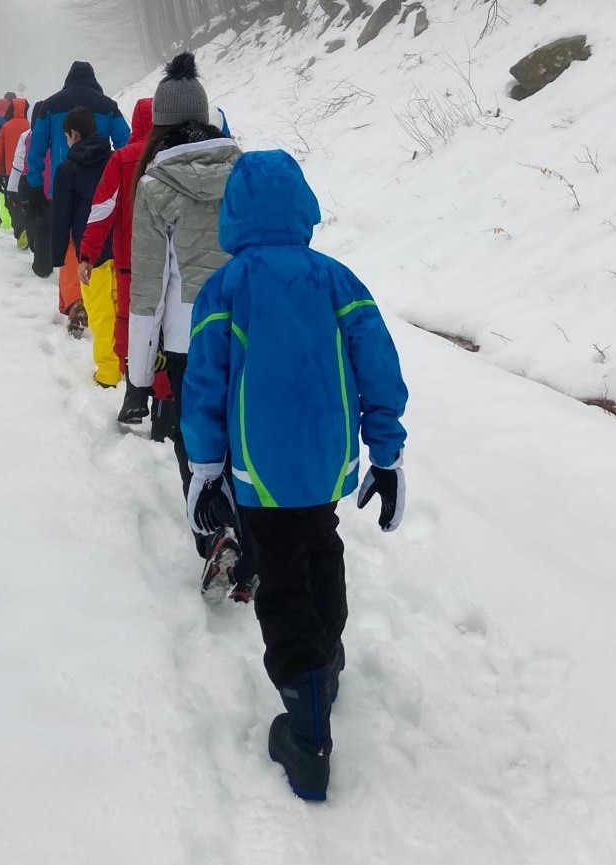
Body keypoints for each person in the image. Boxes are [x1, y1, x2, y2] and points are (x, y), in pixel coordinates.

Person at [180, 149, 409, 802]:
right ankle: (325, 658)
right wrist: (385, 450)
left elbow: (204, 385)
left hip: (258, 462)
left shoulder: (226, 287)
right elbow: (378, 367)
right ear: (301, 205)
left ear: (233, 214)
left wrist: (204, 465)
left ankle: (305, 727)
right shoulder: (338, 279)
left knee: (278, 571)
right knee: (319, 546)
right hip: (324, 457)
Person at [128, 52, 253, 600]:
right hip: (249, 329)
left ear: (159, 122)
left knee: (195, 439)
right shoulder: (245, 170)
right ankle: (253, 537)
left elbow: (148, 289)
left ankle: (215, 535)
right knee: (243, 434)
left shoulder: (155, 185)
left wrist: (137, 371)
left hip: (187, 339)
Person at [78, 97, 174, 428]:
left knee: (132, 326)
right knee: (166, 331)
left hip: (129, 263)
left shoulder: (122, 159)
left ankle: (134, 392)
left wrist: (88, 252)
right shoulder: (169, 158)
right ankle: (164, 404)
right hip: (168, 261)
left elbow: (102, 210)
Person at [27, 62, 130, 321]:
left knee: (72, 242)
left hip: (62, 184)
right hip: (103, 188)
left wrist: (35, 184)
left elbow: (37, 146)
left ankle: (75, 302)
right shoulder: (108, 106)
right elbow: (126, 144)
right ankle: (104, 297)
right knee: (101, 243)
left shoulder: (50, 105)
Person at [51, 108, 119, 383]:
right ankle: (128, 363)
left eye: (66, 136)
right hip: (121, 246)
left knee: (100, 313)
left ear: (74, 134)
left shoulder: (68, 169)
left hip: (91, 252)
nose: (66, 142)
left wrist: (56, 255)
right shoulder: (114, 158)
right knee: (120, 307)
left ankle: (108, 371)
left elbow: (61, 216)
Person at [0, 98, 30, 241]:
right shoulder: (30, 125)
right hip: (29, 173)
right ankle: (29, 229)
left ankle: (21, 231)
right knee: (28, 202)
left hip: (11, 172)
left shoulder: (5, 127)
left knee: (12, 202)